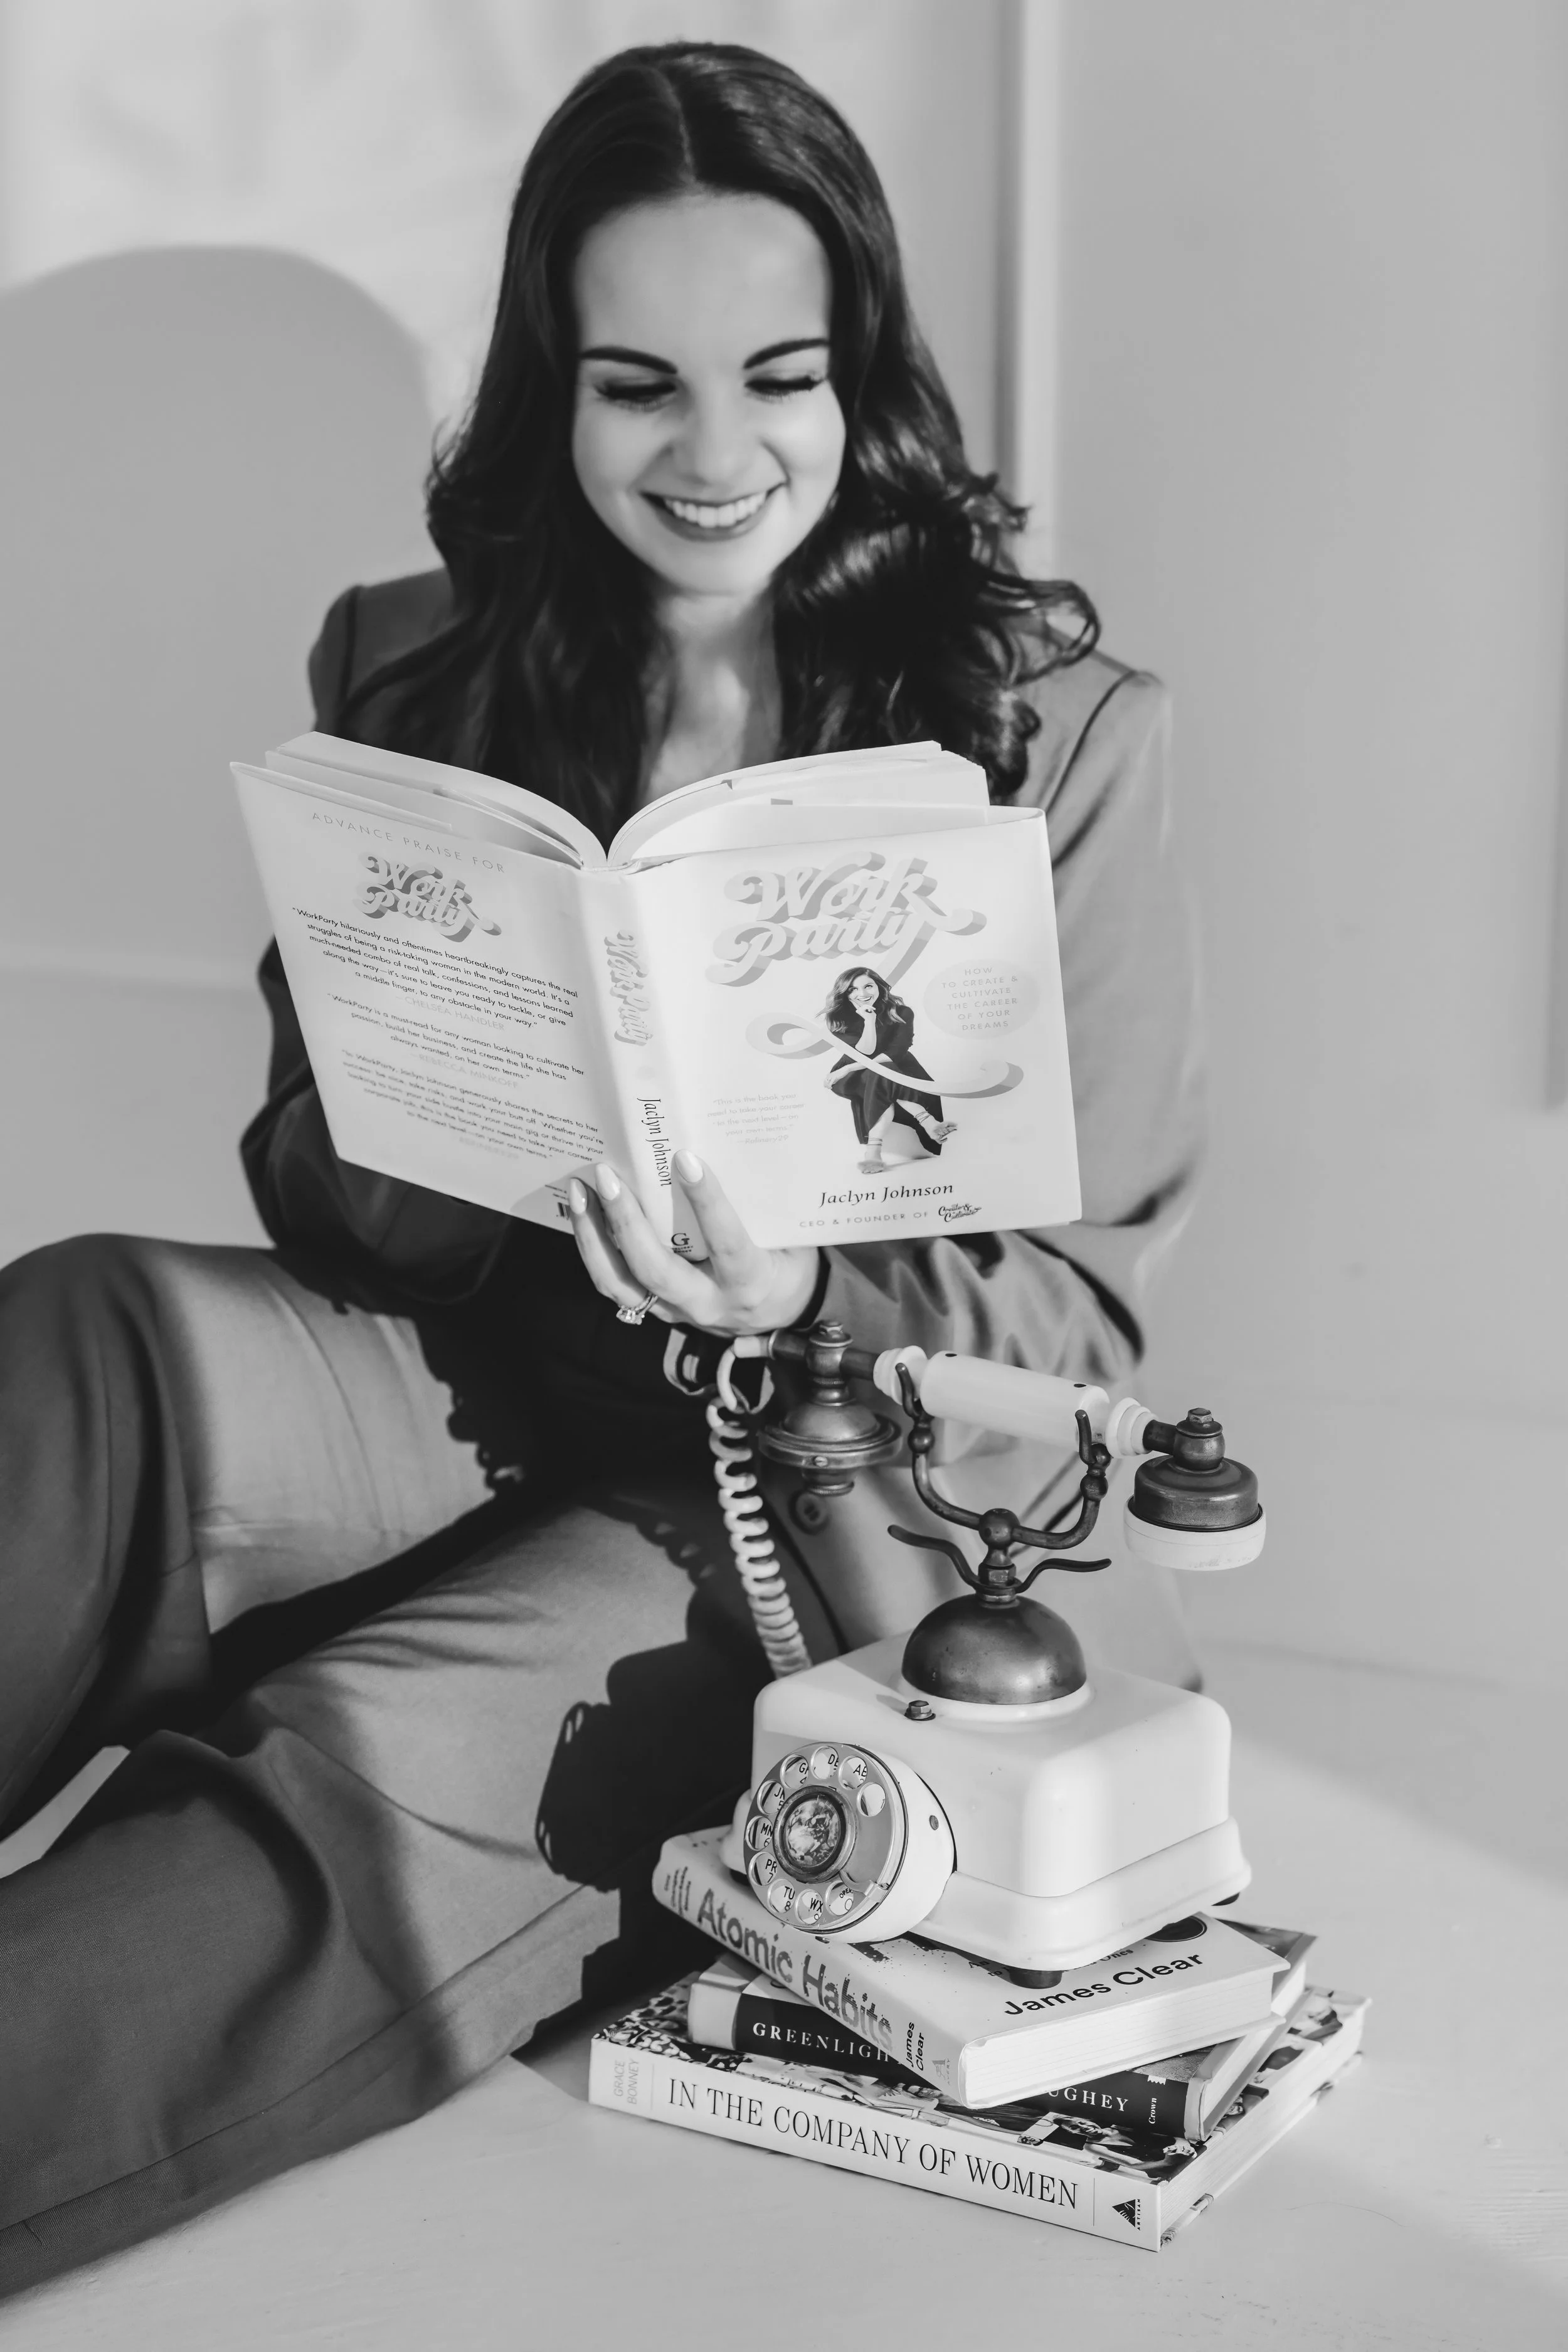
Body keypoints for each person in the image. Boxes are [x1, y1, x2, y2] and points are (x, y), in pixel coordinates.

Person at [0, 40, 1203, 2292]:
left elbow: (1084, 1316)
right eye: (638, 384)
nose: (714, 452)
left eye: (778, 375)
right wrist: (447, 1118)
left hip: (789, 1483)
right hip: (468, 1354)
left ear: (868, 374)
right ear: (556, 388)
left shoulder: (1063, 742)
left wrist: (798, 1300)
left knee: (338, 1776)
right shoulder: (416, 659)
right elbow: (310, 1178)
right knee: (92, 1324)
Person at [822, 967, 955, 1171]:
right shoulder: (841, 1018)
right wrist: (869, 1021)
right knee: (883, 1070)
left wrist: (849, 1068)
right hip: (854, 1076)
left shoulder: (902, 1012)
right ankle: (928, 1122)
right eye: (853, 989)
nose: (863, 994)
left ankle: (873, 1154)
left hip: (894, 1066)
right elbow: (865, 1053)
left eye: (868, 986)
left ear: (879, 986)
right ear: (845, 993)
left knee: (883, 1071)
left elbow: (896, 1051)